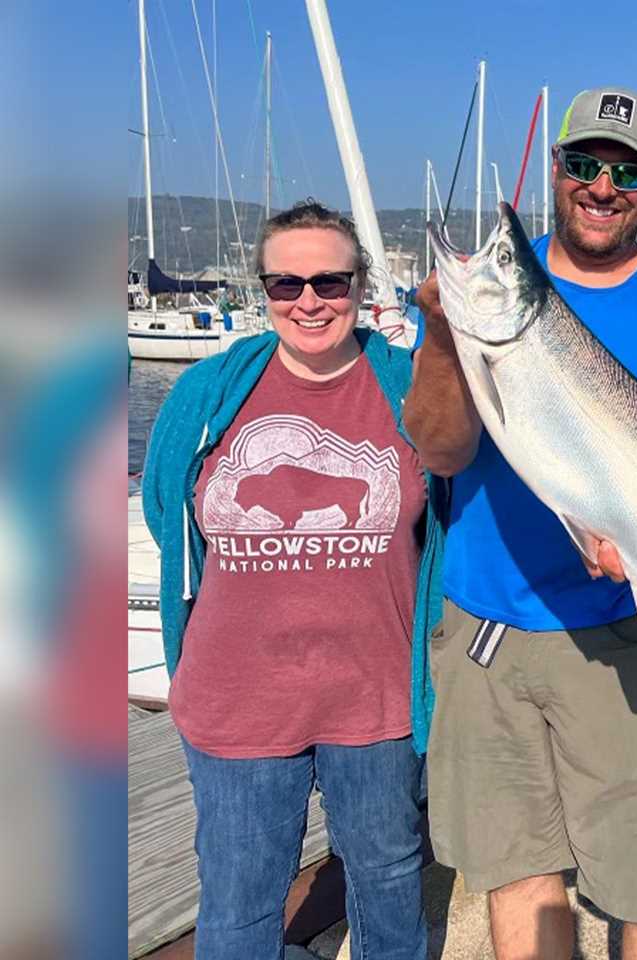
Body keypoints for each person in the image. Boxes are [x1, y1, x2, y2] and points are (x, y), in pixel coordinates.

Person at [404, 87, 637, 960]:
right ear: (557, 170)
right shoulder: (477, 305)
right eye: (584, 162)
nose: (602, 183)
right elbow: (439, 451)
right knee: (520, 880)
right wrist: (445, 335)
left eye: (625, 168)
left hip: (624, 632)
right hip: (489, 639)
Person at [142, 201, 444, 960]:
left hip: (376, 698)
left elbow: (448, 517)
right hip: (236, 696)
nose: (309, 301)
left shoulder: (410, 387)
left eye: (330, 282)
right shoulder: (207, 393)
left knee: (388, 879)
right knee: (240, 896)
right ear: (265, 291)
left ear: (359, 285)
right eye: (286, 284)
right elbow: (164, 509)